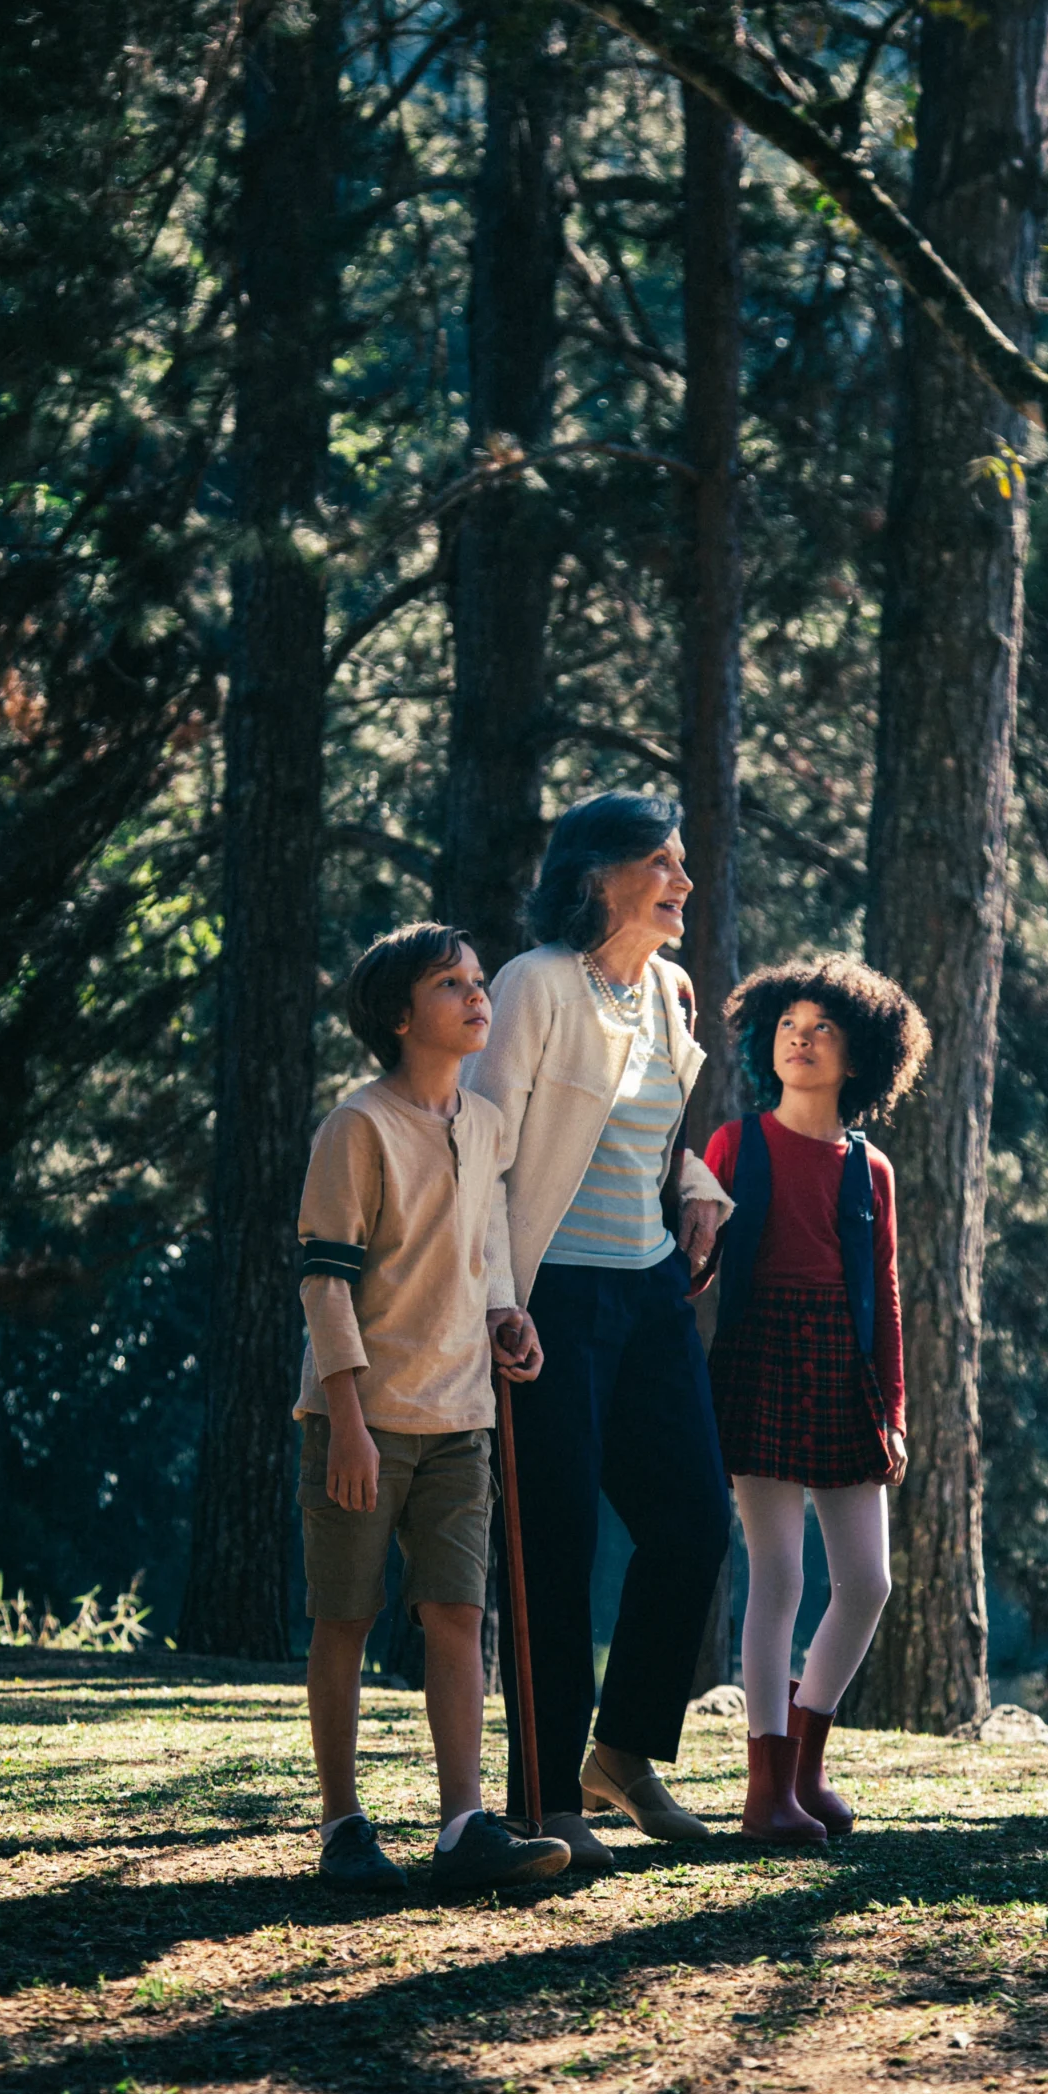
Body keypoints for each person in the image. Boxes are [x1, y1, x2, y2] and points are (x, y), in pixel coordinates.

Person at [463, 792, 736, 1874]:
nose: (682, 882)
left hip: (649, 1288)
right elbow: (481, 1155)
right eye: (661, 863)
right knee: (554, 1542)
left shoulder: (667, 991)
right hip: (552, 1299)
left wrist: (702, 1185)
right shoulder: (533, 985)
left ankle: (620, 1753)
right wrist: (495, 1296)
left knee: (691, 1522)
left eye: (681, 861)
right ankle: (541, 1800)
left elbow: (652, 1132)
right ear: (594, 876)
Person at [296, 920, 571, 1897]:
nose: (476, 994)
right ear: (401, 1015)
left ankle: (465, 1826)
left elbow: (488, 1242)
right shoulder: (357, 1126)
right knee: (347, 1619)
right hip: (361, 1423)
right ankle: (343, 1826)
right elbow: (325, 1282)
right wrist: (349, 1419)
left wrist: (508, 1318)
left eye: (477, 978)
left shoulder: (487, 1124)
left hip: (464, 1421)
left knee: (458, 1612)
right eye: (452, 983)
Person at [703, 956, 931, 1843]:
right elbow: (698, 1264)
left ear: (858, 1054)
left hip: (843, 1374)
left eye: (822, 1027)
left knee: (866, 1581)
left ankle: (804, 1768)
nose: (800, 1038)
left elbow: (886, 1292)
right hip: (757, 1363)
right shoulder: (735, 1144)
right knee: (779, 1576)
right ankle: (765, 1791)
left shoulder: (870, 1169)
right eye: (788, 1025)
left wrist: (895, 1414)